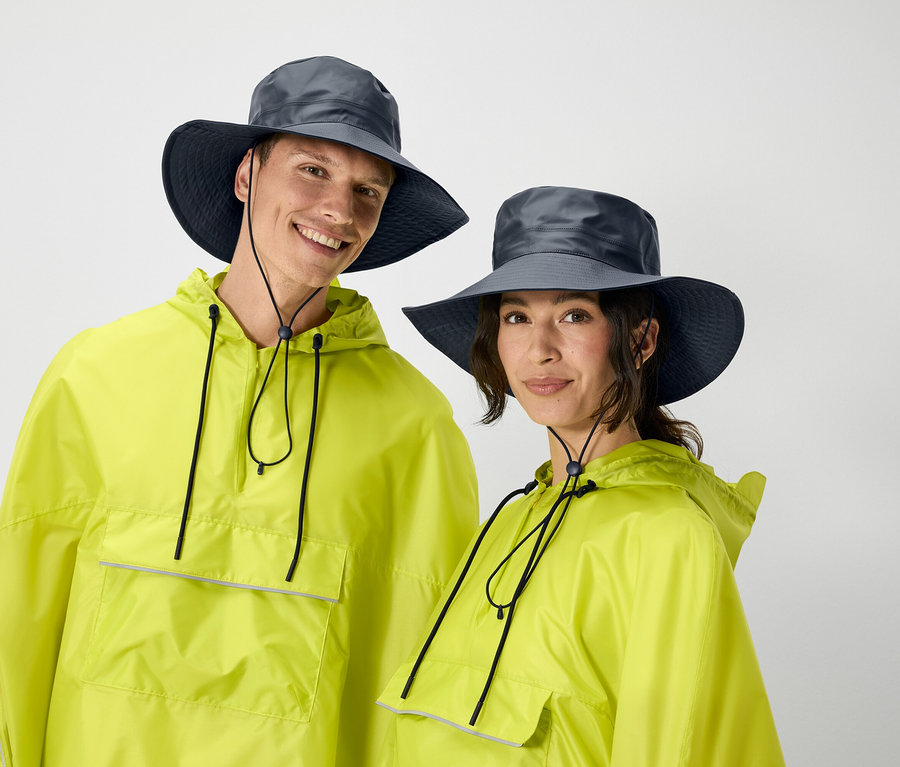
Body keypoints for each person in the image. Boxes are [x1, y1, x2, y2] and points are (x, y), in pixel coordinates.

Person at [0, 56, 478, 766]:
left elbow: (424, 682)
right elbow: (20, 618)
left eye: (367, 191)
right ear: (247, 175)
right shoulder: (95, 373)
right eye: (313, 169)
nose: (339, 211)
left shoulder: (414, 425)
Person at [377, 186, 785, 765]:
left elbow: (678, 744)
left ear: (640, 340)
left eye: (573, 315)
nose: (539, 349)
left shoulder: (667, 535)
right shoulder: (513, 520)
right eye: (517, 316)